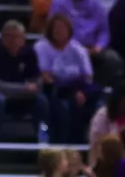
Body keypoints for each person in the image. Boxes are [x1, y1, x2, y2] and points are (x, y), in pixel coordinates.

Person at [0, 19, 48, 142]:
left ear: (24, 39)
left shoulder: (29, 53)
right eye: (10, 37)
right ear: (3, 38)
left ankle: (43, 143)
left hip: (21, 99)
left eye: (18, 37)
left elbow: (37, 82)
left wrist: (28, 89)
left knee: (41, 101)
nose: (14, 41)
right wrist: (23, 88)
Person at [48, 0, 123, 87]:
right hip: (67, 47)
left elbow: (104, 31)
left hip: (92, 49)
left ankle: (94, 88)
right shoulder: (60, 2)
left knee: (113, 60)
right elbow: (54, 28)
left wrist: (99, 46)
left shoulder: (96, 4)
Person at [36, 13, 96, 144]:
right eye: (56, 28)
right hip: (52, 91)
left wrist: (78, 90)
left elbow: (87, 77)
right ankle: (55, 143)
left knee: (97, 105)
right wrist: (68, 88)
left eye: (62, 28)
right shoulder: (41, 47)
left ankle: (83, 144)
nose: (59, 31)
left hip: (78, 90)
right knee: (62, 107)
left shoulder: (78, 49)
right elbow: (45, 76)